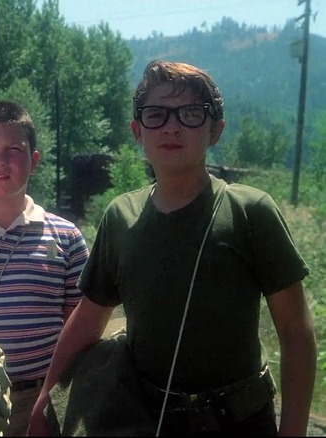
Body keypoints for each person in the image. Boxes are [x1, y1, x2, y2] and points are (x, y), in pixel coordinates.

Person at [28, 60, 316, 436]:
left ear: (216, 130)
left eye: (191, 114)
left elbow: (295, 331)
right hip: (146, 421)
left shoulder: (250, 211)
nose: (172, 126)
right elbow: (87, 320)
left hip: (243, 423)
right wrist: (44, 402)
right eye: (156, 114)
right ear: (137, 130)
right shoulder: (121, 217)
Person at [0, 100, 89, 436]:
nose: (0, 160)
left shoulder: (66, 237)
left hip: (40, 400)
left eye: (13, 150)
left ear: (34, 160)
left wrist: (51, 398)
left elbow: (80, 328)